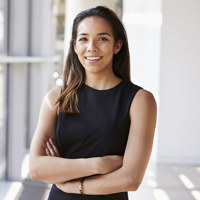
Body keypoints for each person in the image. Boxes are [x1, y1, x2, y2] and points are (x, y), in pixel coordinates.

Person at [29, 6, 157, 200]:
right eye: (83, 39)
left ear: (117, 46)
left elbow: (131, 178)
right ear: (74, 46)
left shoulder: (140, 100)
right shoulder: (55, 99)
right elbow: (37, 169)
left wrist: (73, 183)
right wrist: (97, 165)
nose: (92, 47)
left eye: (103, 38)